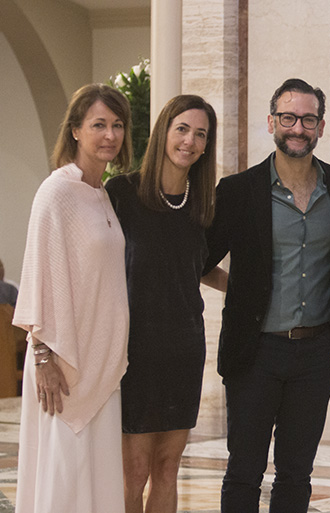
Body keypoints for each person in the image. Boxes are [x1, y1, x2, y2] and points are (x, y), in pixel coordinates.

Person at [202, 78, 330, 512]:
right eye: (288, 117)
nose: (297, 128)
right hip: (255, 354)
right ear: (272, 122)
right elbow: (199, 260)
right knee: (244, 471)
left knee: (296, 474)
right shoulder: (239, 191)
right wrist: (242, 289)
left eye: (308, 119)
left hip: (314, 355)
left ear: (321, 127)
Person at [12, 83, 132, 513]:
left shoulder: (101, 192)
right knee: (64, 475)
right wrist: (42, 356)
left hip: (100, 361)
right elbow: (38, 274)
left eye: (117, 125)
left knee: (97, 478)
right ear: (76, 131)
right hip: (62, 363)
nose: (110, 135)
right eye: (98, 124)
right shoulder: (56, 192)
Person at [105, 94, 219, 513]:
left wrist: (251, 288)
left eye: (200, 134)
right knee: (133, 472)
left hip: (184, 351)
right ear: (164, 132)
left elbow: (200, 266)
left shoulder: (203, 204)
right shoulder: (122, 193)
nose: (189, 141)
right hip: (135, 352)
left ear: (207, 145)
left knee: (168, 469)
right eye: (182, 129)